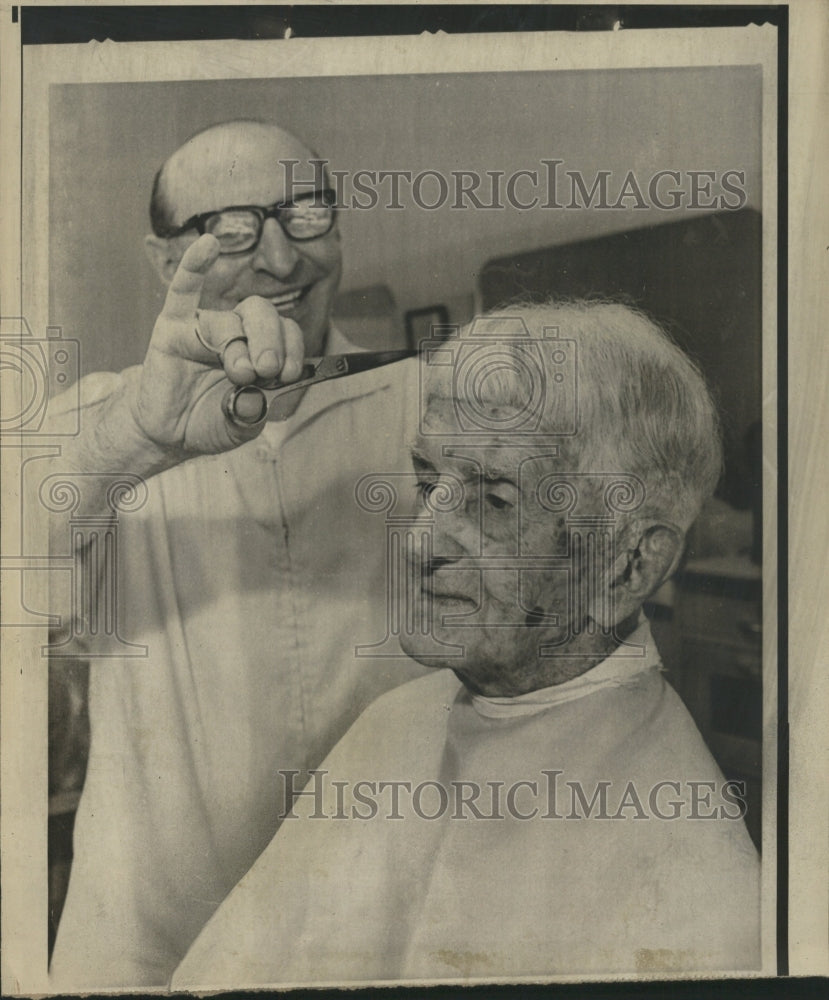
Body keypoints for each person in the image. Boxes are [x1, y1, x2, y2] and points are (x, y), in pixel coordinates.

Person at [171, 301, 761, 987]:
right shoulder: (393, 721)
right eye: (428, 481)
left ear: (629, 565)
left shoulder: (694, 885)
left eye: (494, 499)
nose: (420, 538)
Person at [48, 120, 424, 988]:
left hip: (383, 920)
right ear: (160, 261)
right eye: (228, 231)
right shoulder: (98, 423)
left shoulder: (424, 407)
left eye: (304, 217)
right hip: (156, 933)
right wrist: (135, 439)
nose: (284, 264)